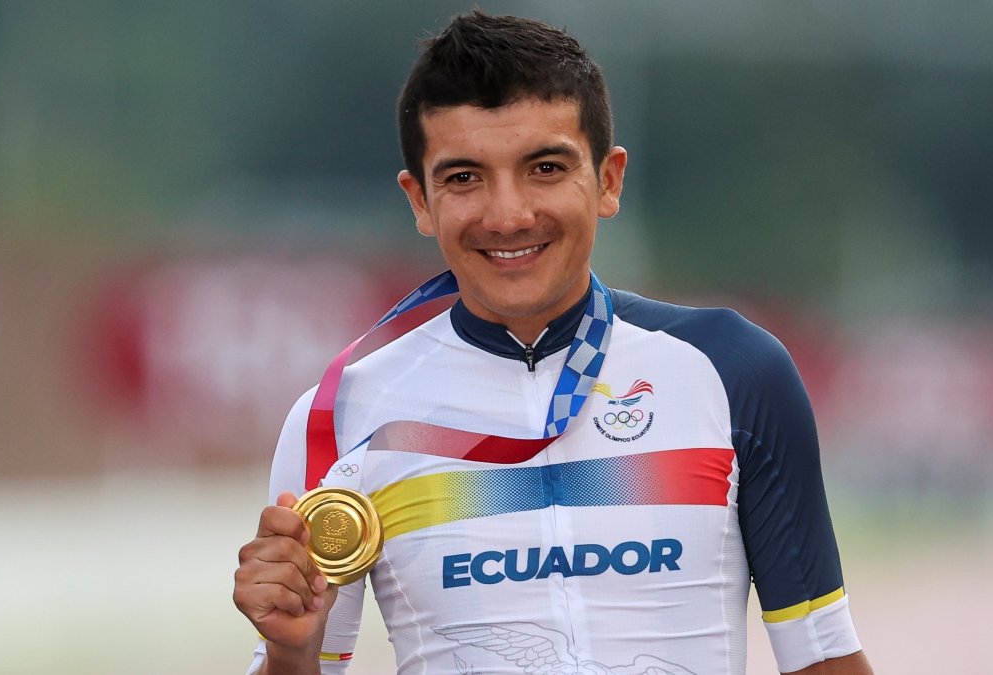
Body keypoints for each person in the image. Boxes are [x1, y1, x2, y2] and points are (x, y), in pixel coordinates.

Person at [233, 11, 873, 675]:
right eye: (464, 177)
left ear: (608, 180)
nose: (508, 215)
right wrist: (289, 651)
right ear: (419, 200)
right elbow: (300, 657)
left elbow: (824, 658)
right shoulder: (340, 417)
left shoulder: (734, 371)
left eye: (544, 167)